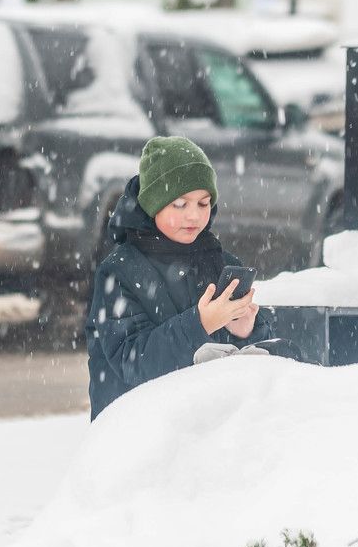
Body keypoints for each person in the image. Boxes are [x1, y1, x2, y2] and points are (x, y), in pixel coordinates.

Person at [86, 136, 275, 419]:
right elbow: (133, 363)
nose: (194, 216)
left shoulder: (220, 262)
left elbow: (242, 365)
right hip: (136, 434)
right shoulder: (120, 271)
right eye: (180, 204)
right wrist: (200, 324)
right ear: (152, 204)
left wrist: (246, 329)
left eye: (203, 203)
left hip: (207, 430)